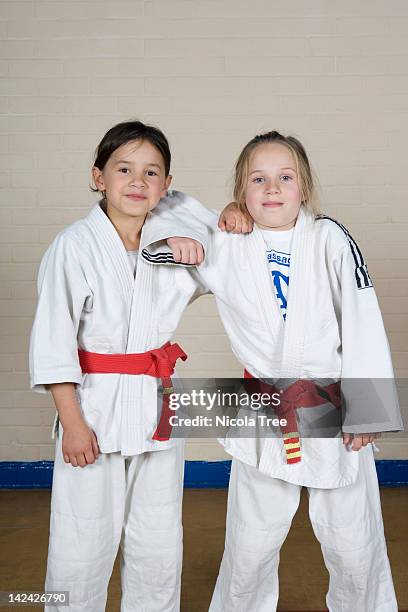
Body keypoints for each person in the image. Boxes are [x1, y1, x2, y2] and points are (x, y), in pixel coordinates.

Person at [156, 130, 403, 611]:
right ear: (241, 192)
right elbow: (160, 220)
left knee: (354, 545)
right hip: (263, 406)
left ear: (304, 189)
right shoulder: (227, 243)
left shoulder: (329, 237)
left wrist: (370, 410)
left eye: (284, 178)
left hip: (334, 405)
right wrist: (202, 225)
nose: (272, 188)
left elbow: (362, 315)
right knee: (250, 544)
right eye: (258, 179)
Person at [29, 120, 243, 612]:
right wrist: (74, 424)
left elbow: (239, 248)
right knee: (81, 541)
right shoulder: (74, 245)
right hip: (92, 410)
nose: (137, 181)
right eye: (123, 169)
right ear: (98, 177)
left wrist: (229, 213)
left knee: (158, 538)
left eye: (152, 173)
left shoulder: (175, 243)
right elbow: (53, 343)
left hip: (157, 407)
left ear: (166, 187)